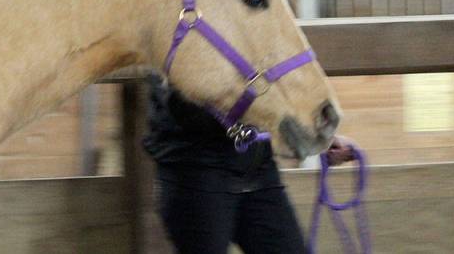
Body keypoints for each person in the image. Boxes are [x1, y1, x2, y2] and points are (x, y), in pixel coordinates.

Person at [144, 73, 355, 253]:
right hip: (196, 167)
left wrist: (313, 134)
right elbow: (183, 102)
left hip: (256, 166)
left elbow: (277, 71)